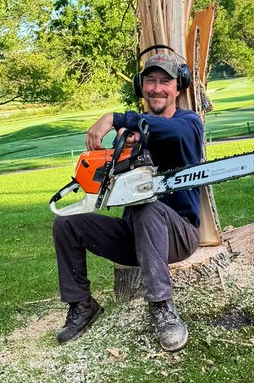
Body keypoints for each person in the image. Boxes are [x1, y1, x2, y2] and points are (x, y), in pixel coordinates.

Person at [52, 50, 204, 351]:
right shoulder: (136, 130)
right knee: (66, 224)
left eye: (165, 81)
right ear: (141, 86)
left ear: (178, 87)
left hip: (178, 234)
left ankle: (161, 307)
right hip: (135, 238)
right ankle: (82, 305)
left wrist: (115, 118)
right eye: (150, 81)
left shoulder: (189, 122)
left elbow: (175, 135)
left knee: (147, 206)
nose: (157, 88)